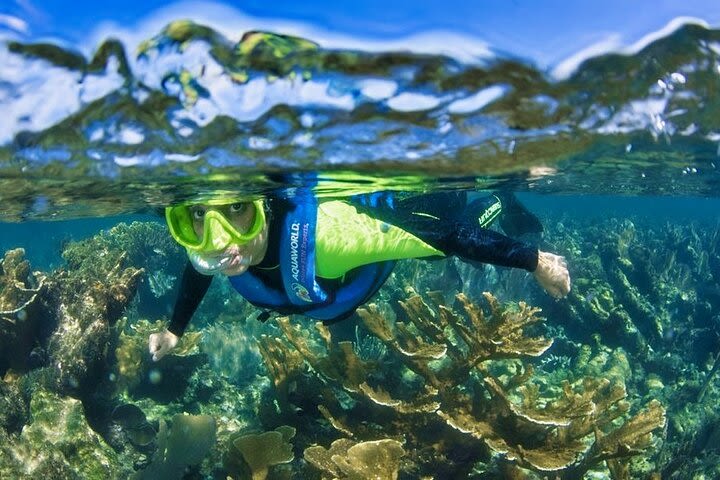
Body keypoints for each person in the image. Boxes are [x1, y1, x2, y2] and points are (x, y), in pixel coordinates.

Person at [149, 190, 570, 361]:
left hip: (389, 224)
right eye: (200, 216)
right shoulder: (215, 247)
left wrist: (534, 260)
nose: (219, 241)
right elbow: (199, 270)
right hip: (333, 298)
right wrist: (174, 331)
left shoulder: (327, 242)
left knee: (437, 247)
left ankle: (500, 197)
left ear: (263, 205)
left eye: (238, 210)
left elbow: (444, 236)